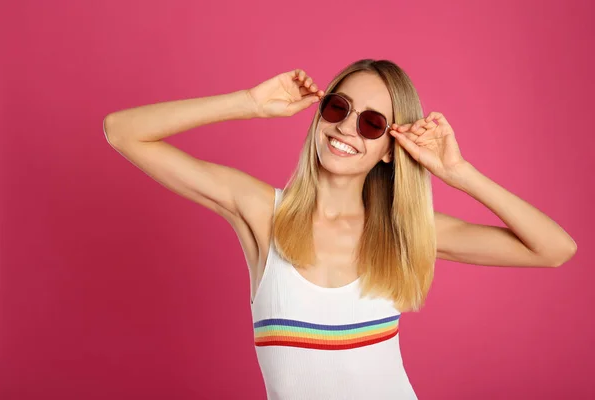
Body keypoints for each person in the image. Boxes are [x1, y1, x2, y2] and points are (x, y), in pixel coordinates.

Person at [102, 59, 577, 399]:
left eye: (372, 123)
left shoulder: (403, 230)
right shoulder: (261, 213)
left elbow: (554, 249)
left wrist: (458, 172)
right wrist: (248, 102)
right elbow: (122, 131)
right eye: (337, 107)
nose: (347, 128)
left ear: (390, 148)